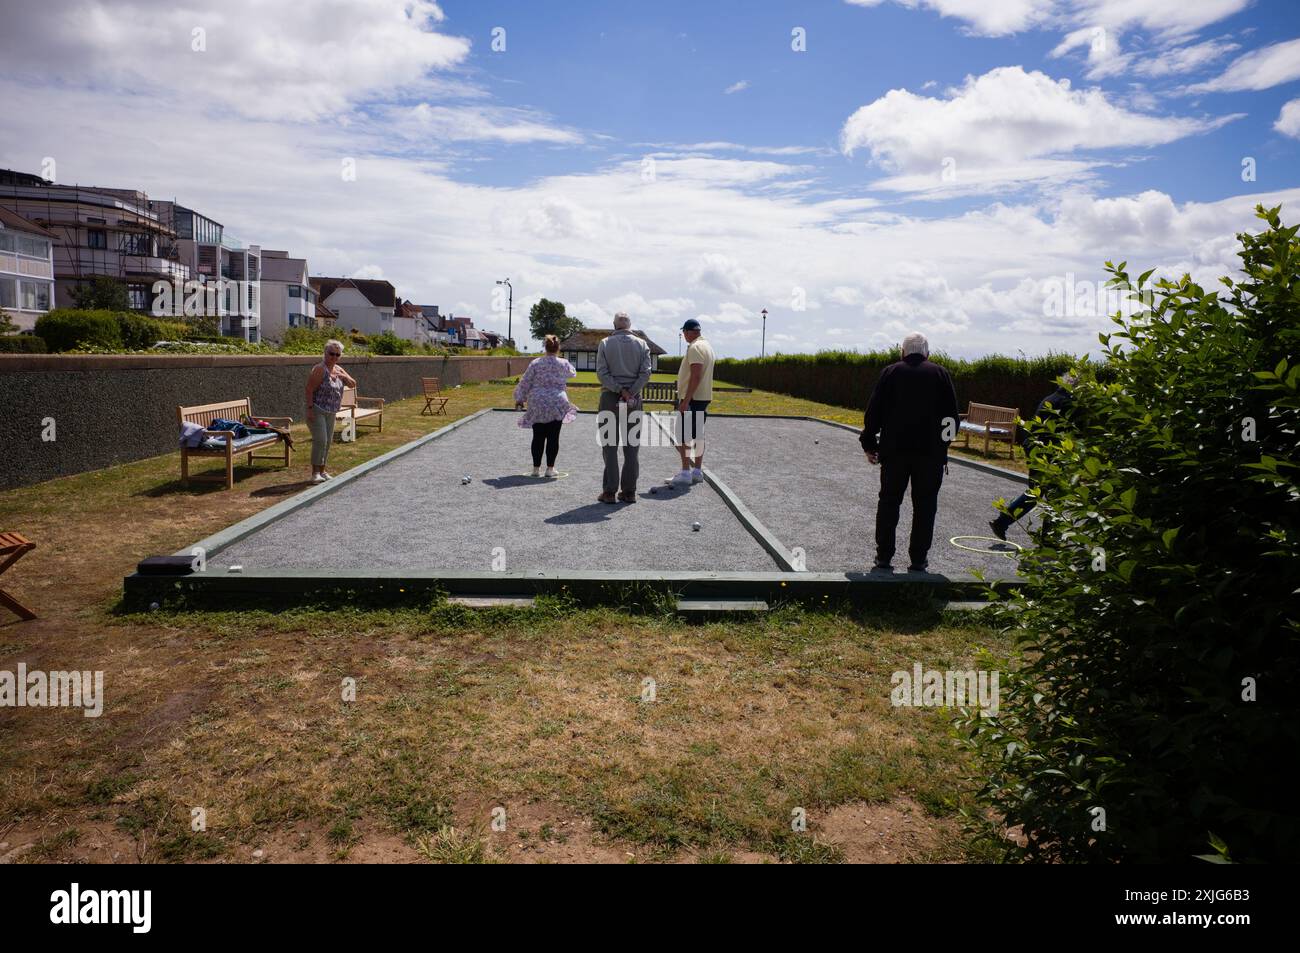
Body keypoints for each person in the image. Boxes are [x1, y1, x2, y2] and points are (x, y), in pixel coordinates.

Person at [859, 332, 960, 573]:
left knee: (889, 503)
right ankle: (918, 559)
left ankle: (883, 556)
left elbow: (874, 411)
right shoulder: (940, 374)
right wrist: (942, 446)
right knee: (925, 506)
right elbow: (951, 418)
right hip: (929, 455)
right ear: (927, 353)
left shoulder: (890, 372)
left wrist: (869, 444)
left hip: (894, 452)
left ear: (902, 352)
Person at [989, 373, 1077, 540]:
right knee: (1055, 498)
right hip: (1051, 455)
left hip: (1036, 450)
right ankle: (1049, 539)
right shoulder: (1068, 402)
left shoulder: (1050, 398)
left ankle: (1002, 522)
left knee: (1035, 493)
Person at [595, 312, 652, 503]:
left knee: (610, 446)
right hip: (634, 400)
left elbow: (602, 374)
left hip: (610, 398)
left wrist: (620, 390)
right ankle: (629, 492)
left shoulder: (605, 343)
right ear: (630, 326)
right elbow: (646, 373)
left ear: (614, 325)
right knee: (631, 447)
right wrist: (631, 392)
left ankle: (610, 491)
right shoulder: (642, 344)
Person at [513, 334, 579, 477]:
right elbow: (573, 373)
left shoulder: (535, 363)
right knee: (553, 437)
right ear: (558, 347)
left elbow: (525, 382)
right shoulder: (564, 363)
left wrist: (519, 398)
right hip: (557, 402)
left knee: (538, 437)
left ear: (545, 347)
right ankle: (550, 469)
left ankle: (536, 469)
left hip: (537, 402)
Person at [669, 318, 716, 487]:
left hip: (693, 398)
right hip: (702, 398)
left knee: (683, 436)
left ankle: (685, 472)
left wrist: (685, 400)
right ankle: (697, 471)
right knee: (698, 435)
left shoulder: (695, 348)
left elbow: (695, 376)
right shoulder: (707, 346)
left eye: (684, 333)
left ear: (689, 332)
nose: (684, 336)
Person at [305, 339, 356, 484]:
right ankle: (315, 473)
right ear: (325, 353)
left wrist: (344, 376)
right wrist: (309, 410)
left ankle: (322, 471)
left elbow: (353, 384)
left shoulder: (339, 369)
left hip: (331, 411)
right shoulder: (320, 369)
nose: (334, 357)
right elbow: (309, 389)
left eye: (337, 355)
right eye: (331, 354)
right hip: (317, 409)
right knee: (321, 440)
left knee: (328, 442)